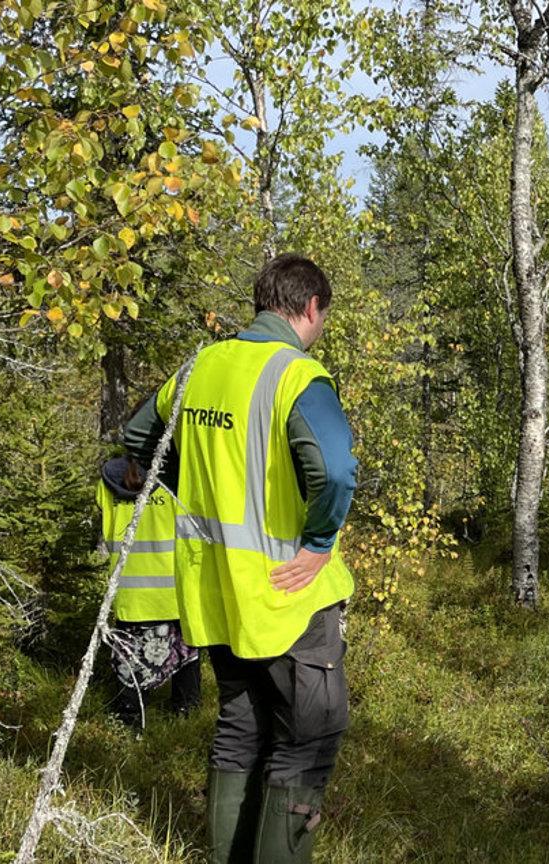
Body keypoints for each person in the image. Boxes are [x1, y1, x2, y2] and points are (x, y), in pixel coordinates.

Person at [124, 253, 358, 864]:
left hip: (217, 594)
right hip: (287, 596)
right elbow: (336, 472)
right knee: (307, 739)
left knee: (240, 729)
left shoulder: (200, 367)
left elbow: (139, 437)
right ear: (312, 307)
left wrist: (193, 480)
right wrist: (318, 544)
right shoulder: (297, 375)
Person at [96, 455, 200, 729]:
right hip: (173, 592)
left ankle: (128, 722)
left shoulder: (108, 481)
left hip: (129, 594)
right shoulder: (176, 480)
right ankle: (187, 716)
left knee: (129, 658)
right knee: (185, 655)